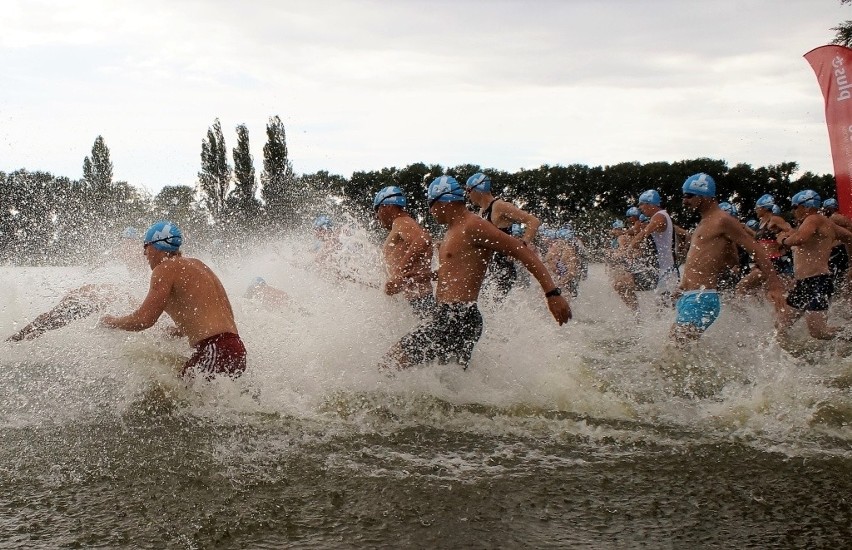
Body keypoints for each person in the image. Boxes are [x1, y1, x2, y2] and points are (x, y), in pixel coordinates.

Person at [382, 176, 571, 371]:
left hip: (457, 317)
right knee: (448, 382)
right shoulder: (454, 230)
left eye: (431, 205)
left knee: (389, 364)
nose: (431, 212)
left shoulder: (473, 225)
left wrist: (552, 294)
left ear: (443, 201)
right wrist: (426, 277)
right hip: (452, 317)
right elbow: (457, 271)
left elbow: (520, 250)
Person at [100, 221, 246, 380]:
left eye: (146, 247)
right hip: (234, 347)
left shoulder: (164, 269)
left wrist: (112, 322)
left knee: (180, 398)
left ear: (156, 247)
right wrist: (178, 331)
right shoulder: (199, 266)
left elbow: (144, 320)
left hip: (215, 348)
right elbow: (216, 316)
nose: (144, 254)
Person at [672, 173, 784, 343]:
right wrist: (682, 286)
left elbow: (757, 250)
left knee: (672, 353)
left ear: (704, 196)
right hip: (690, 296)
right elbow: (717, 258)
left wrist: (775, 286)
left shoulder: (723, 220)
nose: (684, 201)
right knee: (678, 354)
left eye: (688, 196)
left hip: (701, 298)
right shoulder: (705, 222)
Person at [775, 191, 852, 341]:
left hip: (818, 282)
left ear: (807, 206)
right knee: (781, 325)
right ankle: (790, 358)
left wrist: (783, 240)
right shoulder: (825, 223)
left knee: (819, 332)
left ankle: (848, 335)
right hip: (804, 283)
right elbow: (849, 237)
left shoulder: (813, 219)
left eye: (795, 207)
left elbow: (800, 238)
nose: (793, 211)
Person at [464, 172, 542, 300]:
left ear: (478, 190)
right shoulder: (482, 211)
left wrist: (523, 244)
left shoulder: (500, 206)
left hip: (503, 270)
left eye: (468, 190)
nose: (467, 194)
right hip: (490, 269)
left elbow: (533, 221)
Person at [373, 186, 436, 318]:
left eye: (377, 209)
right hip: (417, 301)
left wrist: (397, 274)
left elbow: (424, 240)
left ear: (387, 206)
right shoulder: (404, 224)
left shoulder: (401, 221)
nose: (377, 216)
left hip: (421, 301)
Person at [735, 194, 793, 297]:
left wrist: (783, 239)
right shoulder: (762, 222)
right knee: (765, 294)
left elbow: (790, 231)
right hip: (762, 261)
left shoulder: (774, 219)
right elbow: (761, 240)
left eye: (757, 208)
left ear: (764, 208)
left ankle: (743, 313)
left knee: (741, 287)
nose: (756, 210)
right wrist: (746, 230)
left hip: (772, 261)